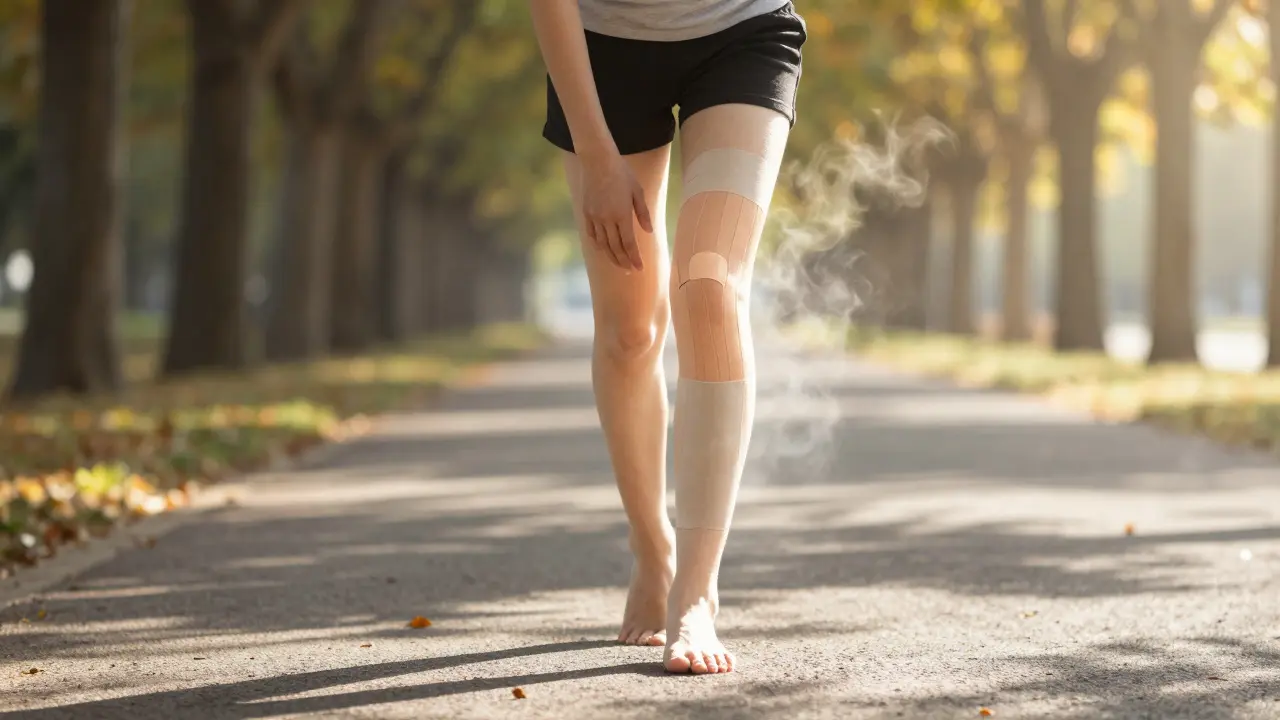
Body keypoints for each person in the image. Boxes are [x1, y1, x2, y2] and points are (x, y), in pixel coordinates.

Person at [528, 0, 806, 675]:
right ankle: (653, 545)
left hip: (745, 31)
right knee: (630, 333)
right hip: (602, 51)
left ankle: (696, 593)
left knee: (709, 282)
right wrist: (598, 158)